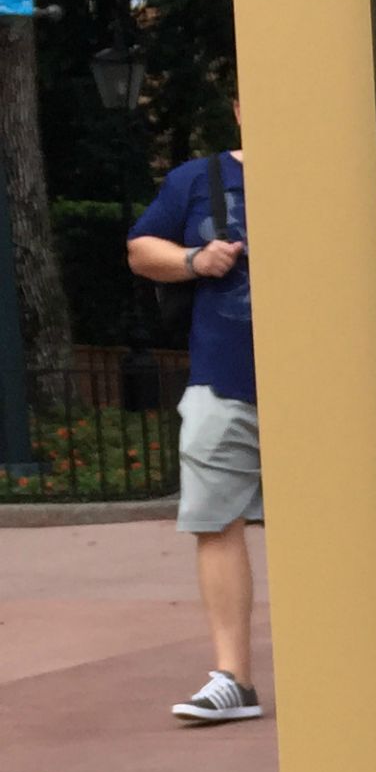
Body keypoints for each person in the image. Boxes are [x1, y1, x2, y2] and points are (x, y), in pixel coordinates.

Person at [128, 120, 260, 722]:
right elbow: (141, 249)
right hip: (223, 381)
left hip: (326, 390)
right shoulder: (197, 179)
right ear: (238, 107)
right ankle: (233, 678)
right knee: (215, 521)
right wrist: (194, 258)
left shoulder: (328, 170)